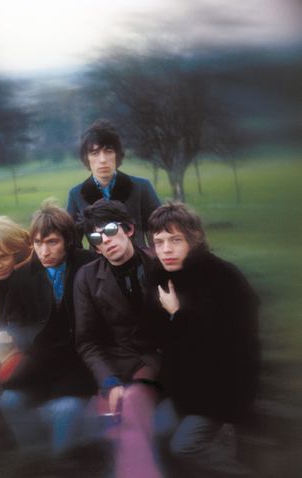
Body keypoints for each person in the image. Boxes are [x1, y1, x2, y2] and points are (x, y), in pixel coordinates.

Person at [149, 202, 260, 478]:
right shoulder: (161, 276)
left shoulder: (225, 279)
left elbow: (228, 347)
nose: (166, 250)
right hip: (183, 390)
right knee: (154, 432)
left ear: (194, 238)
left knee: (185, 446)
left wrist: (178, 313)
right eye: (159, 242)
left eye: (176, 240)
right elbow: (160, 337)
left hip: (223, 389)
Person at [74, 199, 165, 478]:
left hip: (167, 360)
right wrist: (109, 381)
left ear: (128, 228)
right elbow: (86, 341)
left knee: (132, 402)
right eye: (95, 237)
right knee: (121, 407)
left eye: (110, 230)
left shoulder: (160, 263)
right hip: (121, 366)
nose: (105, 241)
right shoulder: (87, 278)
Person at [0, 200, 96, 454]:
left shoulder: (90, 265)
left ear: (67, 240)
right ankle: (37, 455)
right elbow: (14, 321)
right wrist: (28, 345)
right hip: (39, 360)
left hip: (80, 361)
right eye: (38, 243)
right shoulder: (21, 277)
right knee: (9, 400)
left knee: (67, 410)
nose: (44, 251)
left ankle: (62, 458)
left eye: (52, 242)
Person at [67, 119, 160, 248]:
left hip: (140, 263)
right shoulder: (76, 194)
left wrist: (154, 262)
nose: (103, 160)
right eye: (94, 153)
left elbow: (157, 231)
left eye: (109, 151)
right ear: (86, 158)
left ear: (117, 154)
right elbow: (73, 242)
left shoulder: (142, 187)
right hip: (98, 265)